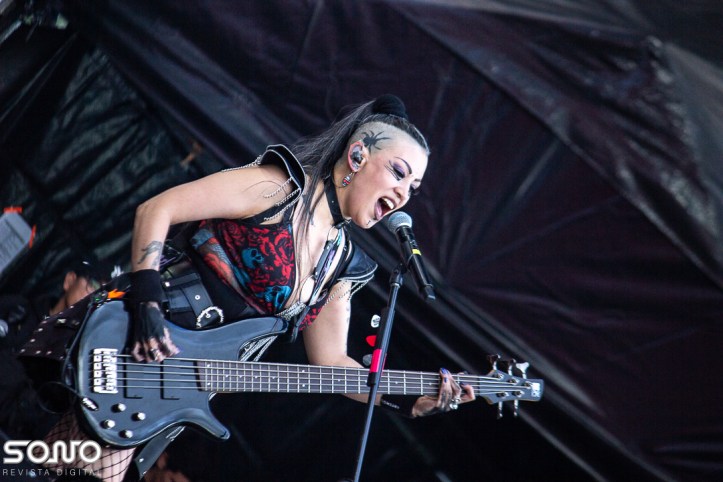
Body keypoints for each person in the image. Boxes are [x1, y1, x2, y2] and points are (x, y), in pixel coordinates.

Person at [31, 95, 476, 481]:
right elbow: (158, 209)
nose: (403, 194)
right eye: (398, 173)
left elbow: (332, 365)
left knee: (53, 469)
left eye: (413, 187)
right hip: (140, 342)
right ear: (357, 155)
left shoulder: (341, 263)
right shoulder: (276, 188)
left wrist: (407, 401)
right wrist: (147, 304)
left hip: (177, 389)